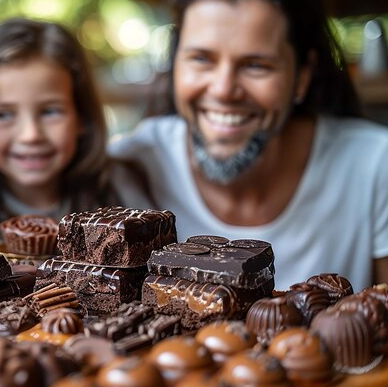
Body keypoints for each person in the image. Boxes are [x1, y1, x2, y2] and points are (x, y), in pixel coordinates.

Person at [109, 0, 388, 291]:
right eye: (201, 59)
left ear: (303, 76)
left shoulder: (374, 167)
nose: (223, 89)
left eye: (256, 65)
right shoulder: (131, 165)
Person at [0, 18, 149, 243]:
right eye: (3, 114)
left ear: (82, 117)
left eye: (50, 111)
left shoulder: (118, 188)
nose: (31, 135)